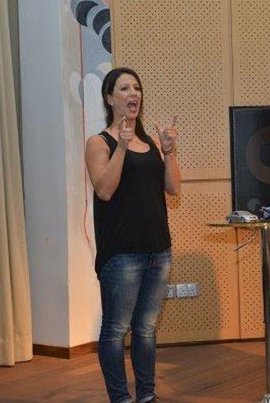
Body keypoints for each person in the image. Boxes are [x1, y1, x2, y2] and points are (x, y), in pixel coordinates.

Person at [85, 67, 181, 403]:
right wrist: (122, 147)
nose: (133, 94)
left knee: (146, 329)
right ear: (109, 98)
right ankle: (120, 398)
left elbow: (173, 188)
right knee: (115, 330)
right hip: (122, 253)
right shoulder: (99, 143)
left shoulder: (150, 143)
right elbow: (105, 190)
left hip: (158, 250)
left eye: (137, 88)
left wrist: (168, 152)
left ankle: (146, 396)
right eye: (124, 88)